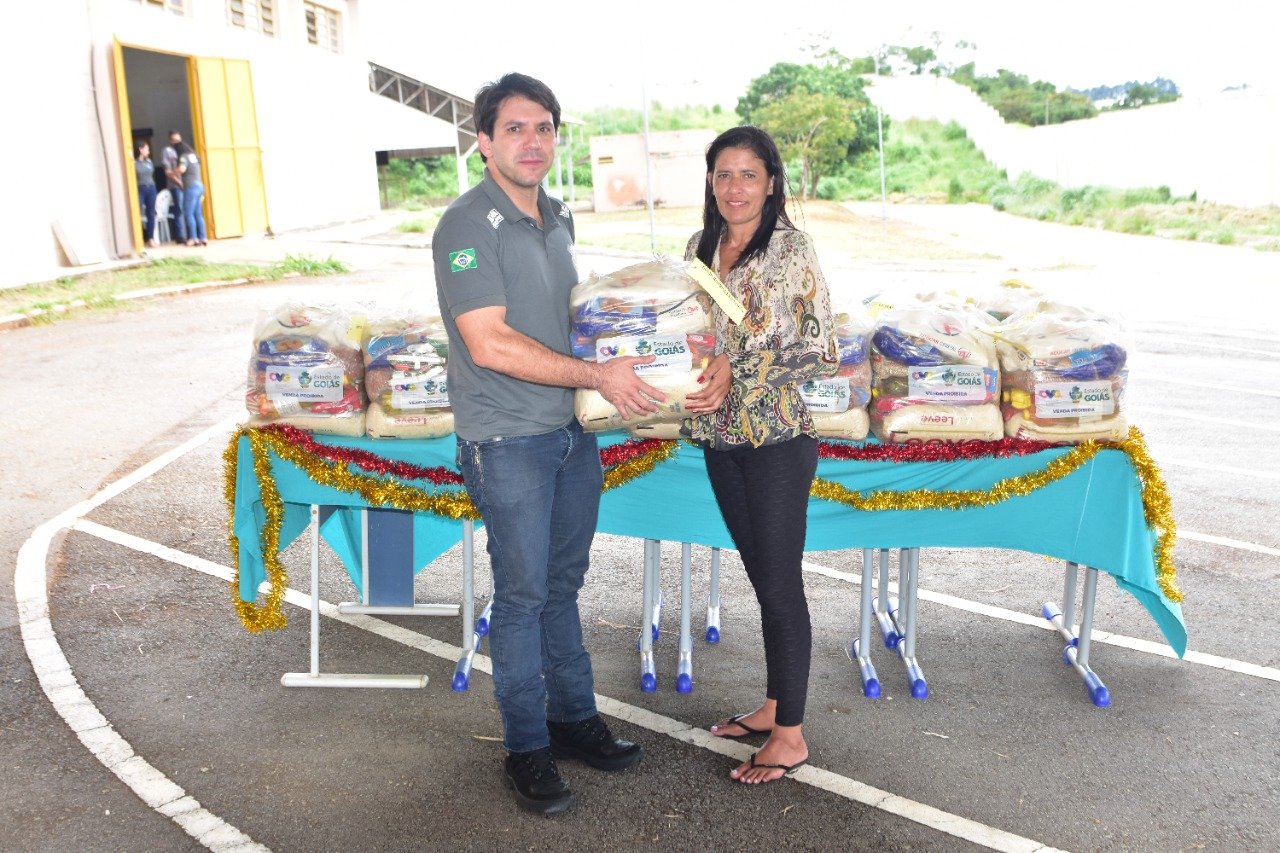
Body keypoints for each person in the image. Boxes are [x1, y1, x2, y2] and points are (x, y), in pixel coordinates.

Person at [432, 72, 662, 816]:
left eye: (544, 128)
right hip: (508, 440)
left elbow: (573, 318)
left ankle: (574, 718)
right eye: (515, 129)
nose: (532, 141)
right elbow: (489, 341)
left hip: (569, 432)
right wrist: (598, 371)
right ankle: (527, 745)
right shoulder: (466, 226)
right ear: (485, 143)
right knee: (525, 595)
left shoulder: (557, 214)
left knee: (562, 585)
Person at [681, 126, 839, 785]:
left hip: (777, 439)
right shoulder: (700, 249)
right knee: (761, 575)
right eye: (723, 175)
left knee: (780, 582)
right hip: (721, 438)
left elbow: (818, 347)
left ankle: (792, 736)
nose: (735, 188)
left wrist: (733, 367)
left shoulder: (790, 250)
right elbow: (688, 329)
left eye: (749, 175)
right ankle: (776, 704)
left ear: (771, 182)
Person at [175, 141, 207, 246]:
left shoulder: (183, 157)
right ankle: (203, 237)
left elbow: (182, 169)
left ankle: (193, 238)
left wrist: (173, 172)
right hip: (199, 185)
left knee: (188, 213)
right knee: (198, 213)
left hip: (191, 187)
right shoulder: (194, 156)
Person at [161, 131, 186, 244]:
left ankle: (190, 235)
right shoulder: (167, 151)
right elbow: (168, 172)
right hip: (175, 185)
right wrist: (179, 183)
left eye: (179, 140)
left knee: (188, 209)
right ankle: (180, 236)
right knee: (179, 209)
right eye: (175, 140)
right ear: (171, 141)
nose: (178, 142)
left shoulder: (183, 150)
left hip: (187, 184)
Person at [134, 141, 159, 248]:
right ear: (140, 149)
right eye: (146, 149)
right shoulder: (135, 163)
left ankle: (150, 238)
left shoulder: (149, 161)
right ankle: (138, 238)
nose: (148, 151)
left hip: (151, 187)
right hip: (141, 188)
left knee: (151, 213)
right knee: (137, 213)